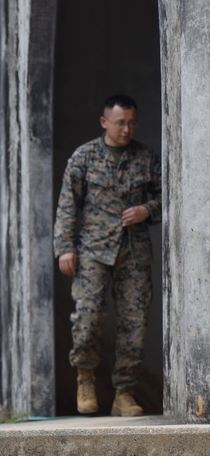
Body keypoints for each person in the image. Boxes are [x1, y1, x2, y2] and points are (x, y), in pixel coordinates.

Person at [53, 94, 162, 417]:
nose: (126, 129)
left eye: (131, 123)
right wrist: (65, 248)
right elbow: (67, 205)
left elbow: (166, 195)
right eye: (120, 123)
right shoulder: (83, 158)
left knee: (135, 325)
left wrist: (147, 210)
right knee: (87, 321)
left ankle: (124, 393)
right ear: (105, 122)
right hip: (92, 252)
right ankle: (85, 378)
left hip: (134, 252)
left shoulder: (145, 157)